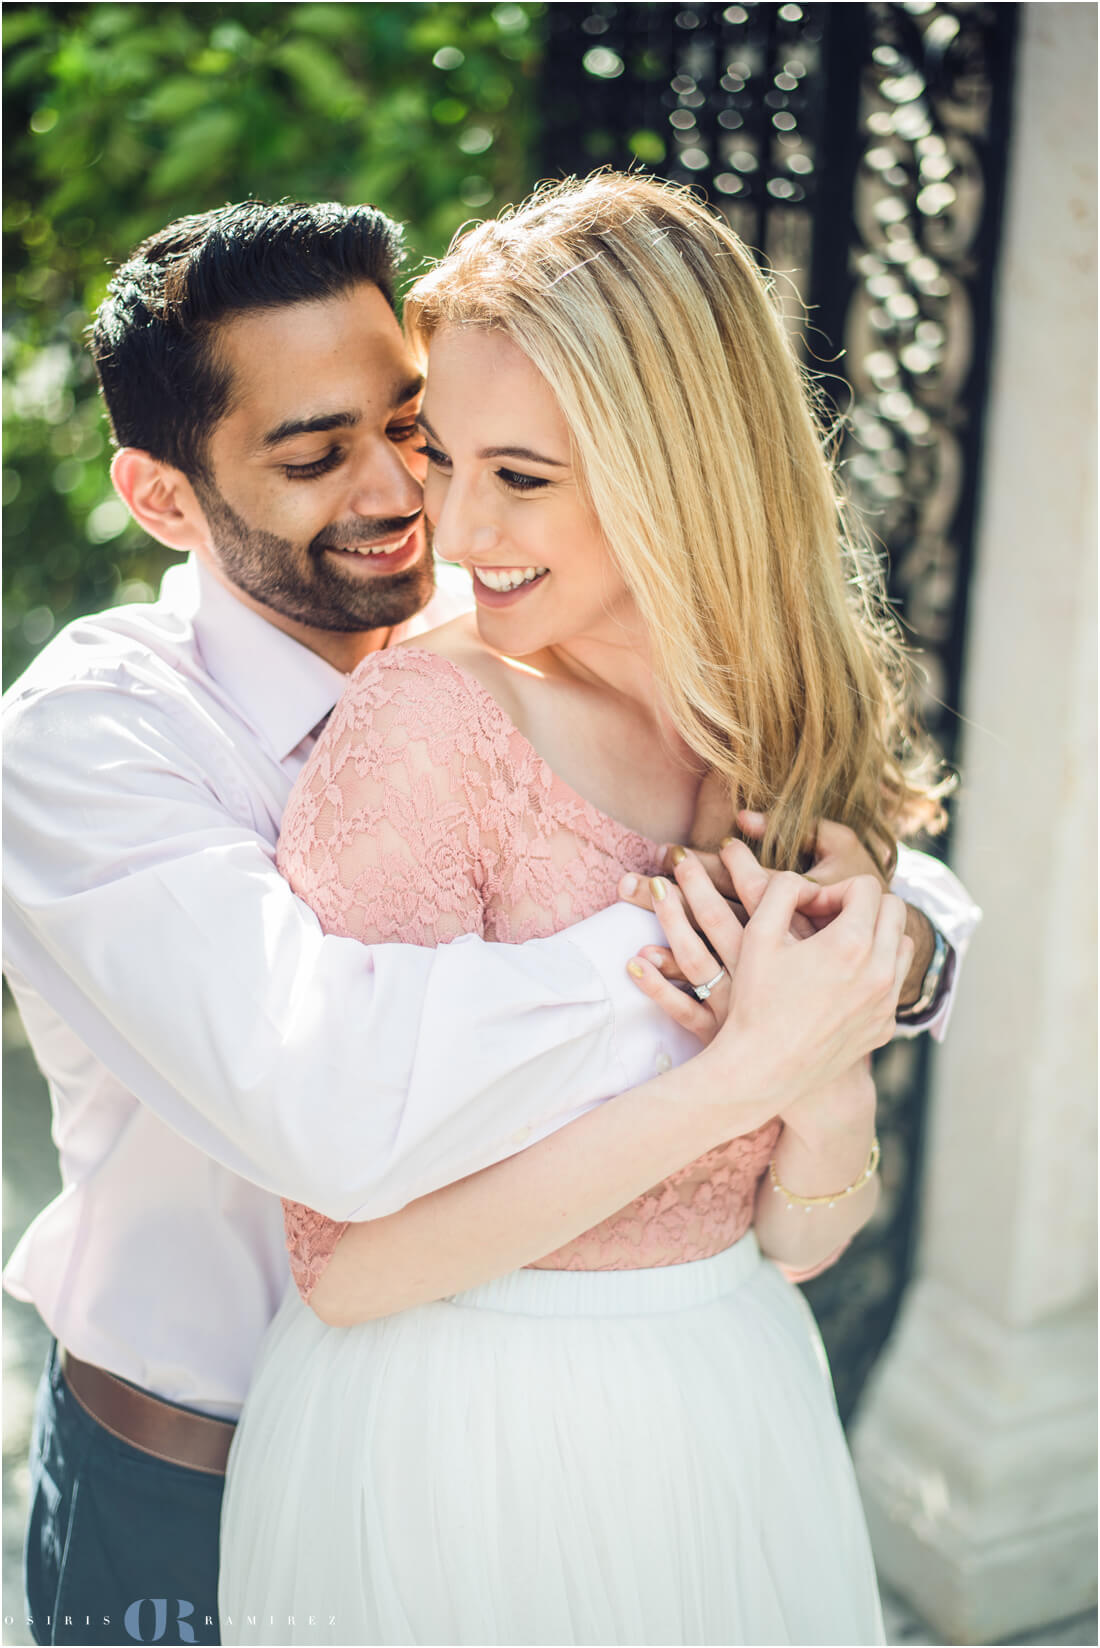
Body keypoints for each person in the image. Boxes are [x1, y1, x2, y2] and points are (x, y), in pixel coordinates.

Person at [1, 198, 977, 1648]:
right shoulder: (93, 741)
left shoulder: (511, 596)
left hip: (651, 1402)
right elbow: (327, 1098)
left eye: (412, 427)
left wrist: (891, 947)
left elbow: (859, 851)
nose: (412, 500)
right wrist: (727, 978)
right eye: (315, 455)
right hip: (200, 1451)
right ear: (163, 499)